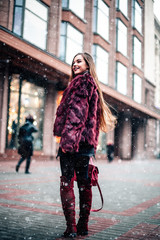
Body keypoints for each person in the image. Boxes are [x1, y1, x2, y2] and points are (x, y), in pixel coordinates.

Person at [53, 52, 116, 238]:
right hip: (85, 144)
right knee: (84, 184)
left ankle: (71, 227)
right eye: (73, 61)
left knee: (67, 182)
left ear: (88, 65)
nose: (74, 64)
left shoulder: (81, 83)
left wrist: (68, 142)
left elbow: (76, 115)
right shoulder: (90, 83)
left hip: (74, 143)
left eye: (79, 61)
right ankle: (82, 226)